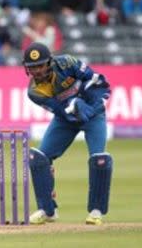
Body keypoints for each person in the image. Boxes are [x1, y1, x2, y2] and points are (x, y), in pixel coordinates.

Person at [23, 42, 112, 225]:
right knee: (38, 158)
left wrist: (88, 105)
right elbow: (61, 111)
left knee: (99, 159)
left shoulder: (66, 63)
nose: (37, 71)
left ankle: (96, 211)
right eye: (32, 67)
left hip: (93, 114)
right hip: (66, 120)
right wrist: (73, 108)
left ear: (49, 62)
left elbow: (96, 80)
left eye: (40, 65)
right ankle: (47, 210)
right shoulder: (34, 91)